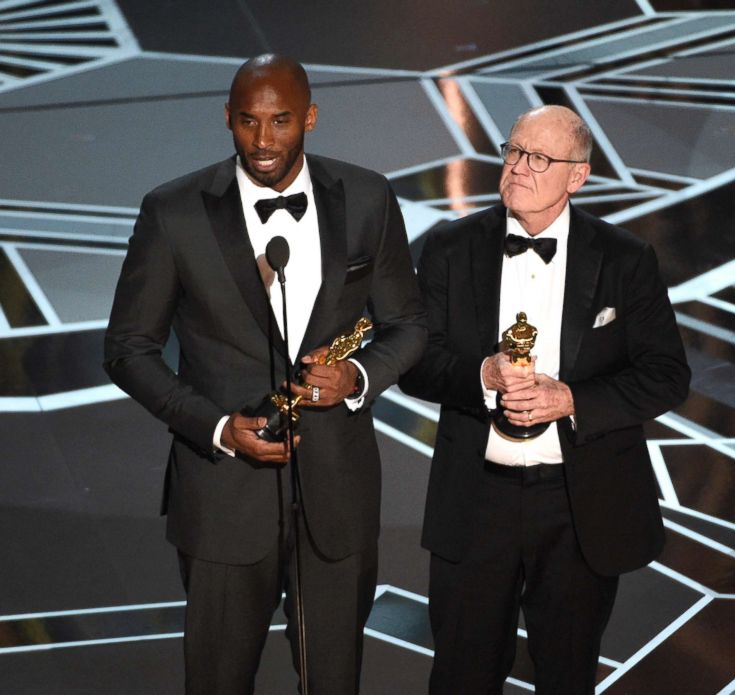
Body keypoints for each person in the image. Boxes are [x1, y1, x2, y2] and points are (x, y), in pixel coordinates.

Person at [104, 54, 426, 694]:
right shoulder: (175, 212)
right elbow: (128, 348)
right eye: (248, 121)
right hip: (223, 496)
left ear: (308, 117)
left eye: (280, 121)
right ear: (227, 118)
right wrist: (218, 426)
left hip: (336, 496)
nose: (263, 140)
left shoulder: (366, 198)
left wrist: (357, 378)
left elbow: (409, 323)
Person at [399, 105, 691, 694]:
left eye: (539, 158)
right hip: (476, 499)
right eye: (512, 152)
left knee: (567, 674)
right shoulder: (450, 249)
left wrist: (572, 400)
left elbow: (666, 375)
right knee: (460, 674)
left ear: (576, 177)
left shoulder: (625, 259)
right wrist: (482, 373)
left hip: (578, 506)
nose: (518, 168)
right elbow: (416, 364)